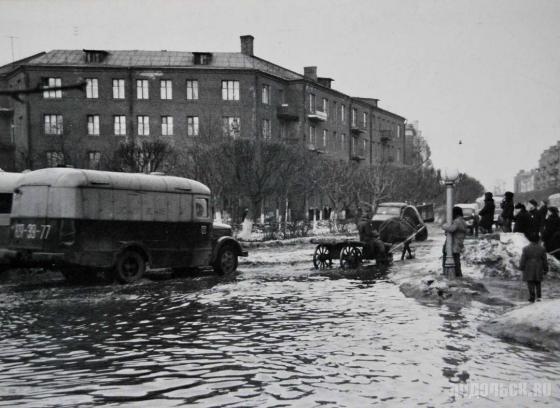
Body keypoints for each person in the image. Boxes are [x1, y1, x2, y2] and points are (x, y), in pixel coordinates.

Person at [519, 232, 548, 303]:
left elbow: (523, 259)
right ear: (538, 240)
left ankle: (532, 297)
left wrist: (521, 266)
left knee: (530, 281)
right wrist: (546, 268)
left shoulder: (525, 249)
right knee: (538, 282)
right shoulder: (542, 249)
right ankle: (539, 297)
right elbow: (544, 260)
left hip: (529, 267)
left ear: (530, 240)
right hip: (539, 266)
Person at [442, 206, 468, 278]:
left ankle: (452, 273)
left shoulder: (457, 221)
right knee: (456, 259)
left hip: (454, 243)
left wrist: (444, 226)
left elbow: (451, 229)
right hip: (458, 242)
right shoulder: (463, 221)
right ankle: (458, 273)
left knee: (452, 258)